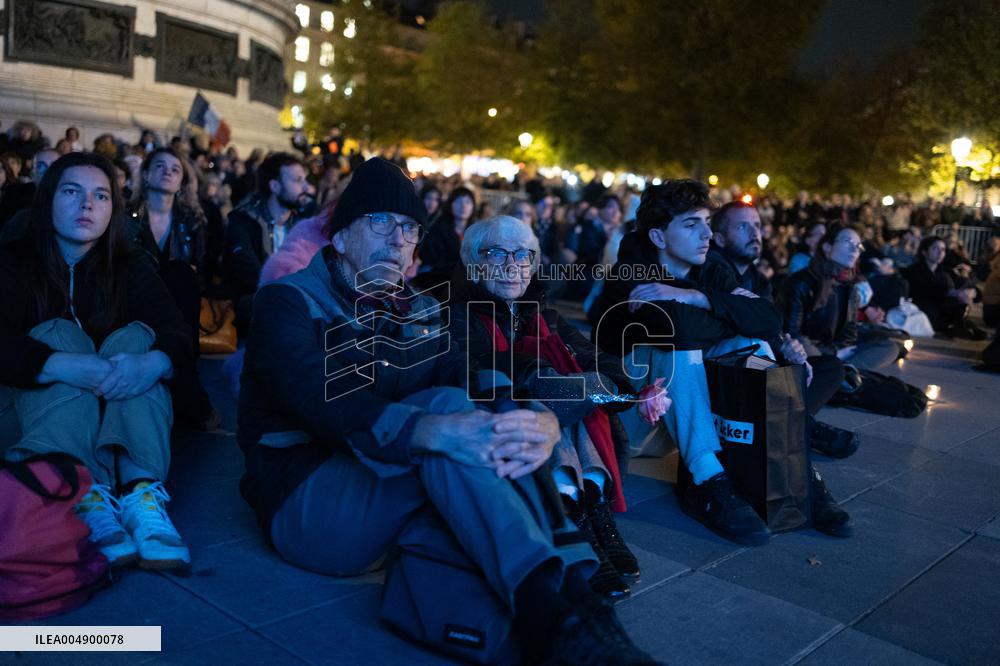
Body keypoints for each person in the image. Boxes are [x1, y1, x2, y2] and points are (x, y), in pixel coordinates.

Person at [238, 157, 654, 663]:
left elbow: (470, 375)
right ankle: (568, 604)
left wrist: (537, 418)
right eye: (381, 221)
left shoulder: (420, 309)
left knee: (478, 413)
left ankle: (568, 619)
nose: (397, 238)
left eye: (410, 228)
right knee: (447, 412)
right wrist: (427, 429)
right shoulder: (288, 299)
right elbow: (315, 395)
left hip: (393, 484)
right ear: (341, 237)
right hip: (308, 497)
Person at [593, 180, 852, 545]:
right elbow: (679, 330)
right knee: (676, 345)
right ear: (658, 236)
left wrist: (696, 296)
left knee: (750, 341)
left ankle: (798, 471)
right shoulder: (632, 271)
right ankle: (707, 482)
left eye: (706, 221)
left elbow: (766, 320)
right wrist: (728, 308)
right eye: (691, 224)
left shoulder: (710, 267)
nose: (706, 234)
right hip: (630, 421)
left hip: (682, 417)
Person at [450, 215, 670, 599]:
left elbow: (593, 354)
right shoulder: (458, 313)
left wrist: (625, 386)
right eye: (497, 253)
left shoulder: (544, 314)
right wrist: (543, 372)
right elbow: (470, 374)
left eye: (523, 255)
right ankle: (570, 510)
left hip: (557, 411)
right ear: (473, 262)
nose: (512, 265)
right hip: (502, 425)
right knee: (556, 392)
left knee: (574, 390)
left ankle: (588, 506)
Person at [0, 152, 191, 569]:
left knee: (138, 340)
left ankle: (140, 495)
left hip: (112, 411)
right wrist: (57, 363)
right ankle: (81, 494)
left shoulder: (129, 265)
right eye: (72, 191)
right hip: (25, 414)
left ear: (113, 209)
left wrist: (151, 364)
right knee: (57, 333)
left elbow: (178, 334)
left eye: (101, 196)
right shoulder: (12, 260)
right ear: (49, 199)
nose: (87, 205)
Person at [702, 202, 858, 458]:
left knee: (829, 368)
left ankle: (789, 423)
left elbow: (771, 326)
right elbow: (753, 325)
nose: (754, 233)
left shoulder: (759, 280)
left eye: (757, 225)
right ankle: (801, 426)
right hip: (722, 370)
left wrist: (788, 348)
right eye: (742, 226)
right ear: (719, 238)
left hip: (759, 363)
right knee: (752, 349)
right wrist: (773, 334)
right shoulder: (712, 268)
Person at [127, 148, 217, 430]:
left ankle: (180, 372)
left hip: (181, 302)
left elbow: (202, 269)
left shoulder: (192, 221)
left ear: (182, 182)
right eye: (160, 166)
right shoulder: (126, 219)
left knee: (180, 275)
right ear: (146, 174)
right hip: (135, 299)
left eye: (175, 169)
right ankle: (188, 387)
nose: (168, 172)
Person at [781, 225, 900, 372]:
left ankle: (841, 373)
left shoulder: (850, 287)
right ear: (827, 246)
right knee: (800, 344)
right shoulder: (801, 282)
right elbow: (791, 332)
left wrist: (839, 350)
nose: (854, 249)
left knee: (889, 347)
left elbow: (849, 333)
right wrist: (833, 353)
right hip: (808, 349)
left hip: (837, 352)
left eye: (858, 246)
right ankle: (843, 374)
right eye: (848, 242)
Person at [223, 152, 309, 331]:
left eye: (305, 180)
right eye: (297, 180)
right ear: (275, 186)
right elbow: (247, 270)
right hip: (253, 300)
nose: (306, 187)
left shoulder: (302, 225)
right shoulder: (244, 219)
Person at [902, 236, 986, 339]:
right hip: (924, 312)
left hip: (943, 311)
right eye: (935, 249)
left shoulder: (945, 271)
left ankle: (958, 326)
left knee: (962, 287)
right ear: (924, 252)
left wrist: (972, 292)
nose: (940, 253)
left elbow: (975, 292)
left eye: (943, 249)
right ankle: (956, 326)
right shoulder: (913, 271)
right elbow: (923, 292)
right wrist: (951, 293)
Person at [413, 186, 476, 292]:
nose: (463, 206)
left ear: (473, 206)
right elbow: (435, 261)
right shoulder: (438, 228)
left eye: (468, 202)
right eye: (458, 201)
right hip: (440, 282)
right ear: (450, 204)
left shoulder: (476, 231)